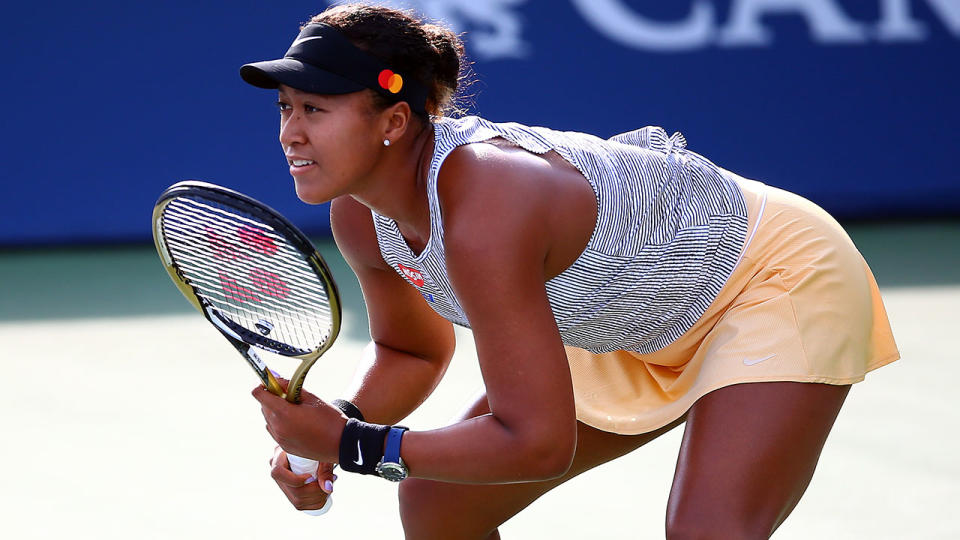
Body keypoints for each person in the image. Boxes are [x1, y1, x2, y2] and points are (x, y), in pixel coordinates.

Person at [243, 4, 899, 538]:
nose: (290, 134)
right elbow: (409, 349)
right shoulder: (361, 216)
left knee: (709, 531)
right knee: (438, 501)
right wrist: (332, 429)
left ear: (393, 120)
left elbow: (535, 444)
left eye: (315, 110)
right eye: (286, 108)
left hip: (768, 279)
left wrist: (355, 443)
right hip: (636, 320)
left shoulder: (489, 207)